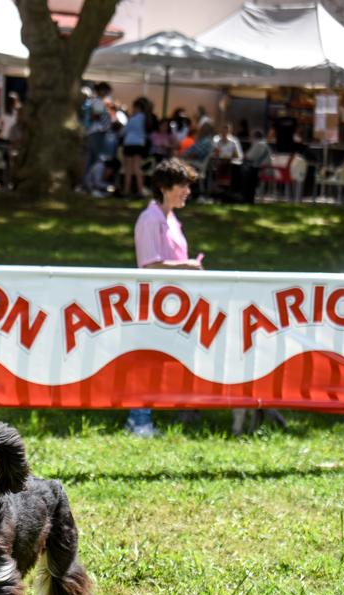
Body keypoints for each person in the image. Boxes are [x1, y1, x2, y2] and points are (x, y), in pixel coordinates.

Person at [127, 158, 203, 437]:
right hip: (153, 303)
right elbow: (149, 264)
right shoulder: (150, 219)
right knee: (148, 361)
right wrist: (188, 266)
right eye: (182, 185)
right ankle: (139, 421)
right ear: (164, 187)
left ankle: (184, 408)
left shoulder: (171, 219)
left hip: (173, 303)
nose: (187, 191)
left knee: (175, 356)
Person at [119, 98, 150, 197]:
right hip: (140, 145)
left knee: (128, 169)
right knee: (137, 168)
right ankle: (140, 190)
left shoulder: (133, 119)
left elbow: (124, 131)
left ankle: (126, 190)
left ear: (137, 107)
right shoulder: (146, 119)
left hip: (129, 144)